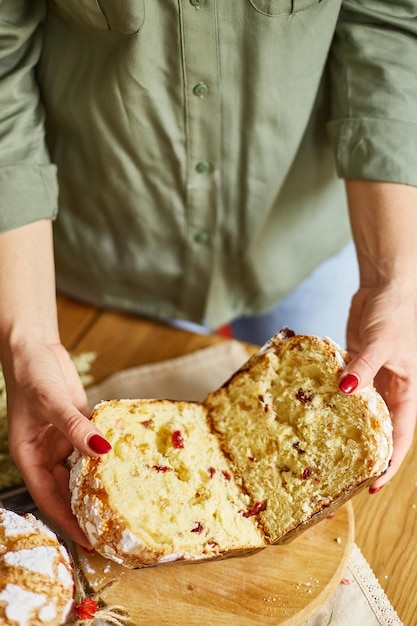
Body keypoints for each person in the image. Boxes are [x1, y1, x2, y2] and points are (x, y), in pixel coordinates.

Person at [0, 1, 417, 550]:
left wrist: (394, 277)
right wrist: (26, 335)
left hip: (305, 232)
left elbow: (387, 24)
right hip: (105, 243)